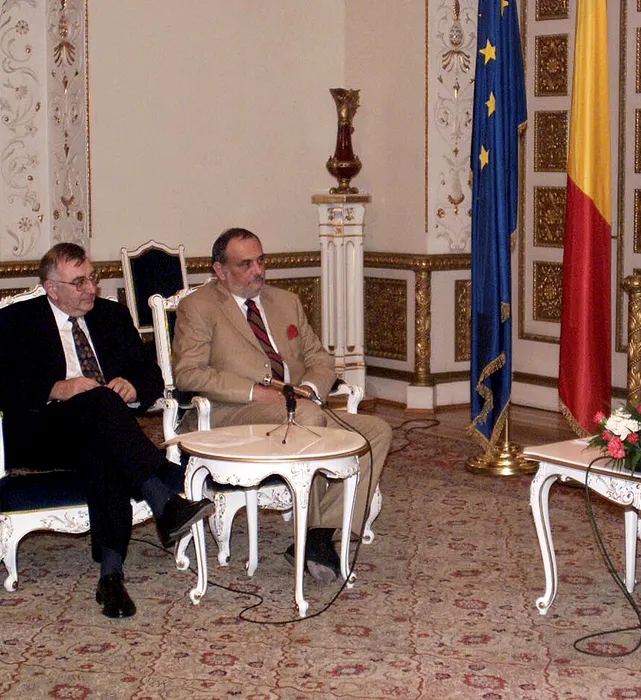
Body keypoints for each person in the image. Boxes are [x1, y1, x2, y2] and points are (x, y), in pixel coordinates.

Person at [0, 243, 214, 619]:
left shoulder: (112, 315)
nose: (90, 289)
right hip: (42, 433)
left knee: (102, 444)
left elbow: (151, 374)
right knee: (100, 405)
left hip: (103, 429)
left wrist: (133, 386)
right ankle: (162, 498)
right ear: (51, 288)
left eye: (92, 278)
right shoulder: (17, 320)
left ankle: (110, 577)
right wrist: (57, 388)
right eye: (79, 282)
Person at [172, 227, 393, 583]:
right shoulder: (199, 307)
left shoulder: (285, 301)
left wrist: (309, 387)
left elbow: (320, 359)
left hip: (298, 407)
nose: (257, 271)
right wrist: (255, 393)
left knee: (375, 432)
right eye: (245, 264)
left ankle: (319, 535)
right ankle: (314, 538)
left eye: (261, 261)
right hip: (232, 414)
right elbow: (188, 373)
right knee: (309, 417)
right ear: (220, 270)